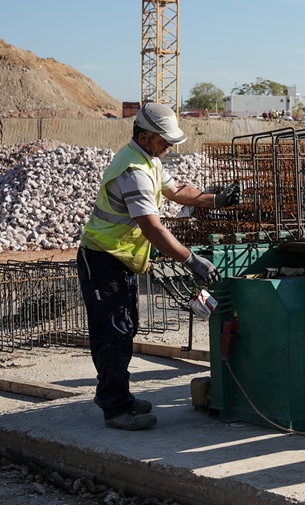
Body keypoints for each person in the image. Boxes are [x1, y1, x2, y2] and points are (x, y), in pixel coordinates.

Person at [77, 103, 241, 430]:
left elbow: (178, 191)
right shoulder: (133, 171)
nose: (169, 147)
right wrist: (191, 259)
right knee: (114, 332)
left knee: (125, 326)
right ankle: (115, 407)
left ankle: (113, 392)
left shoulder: (148, 159)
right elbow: (153, 228)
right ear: (144, 136)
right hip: (102, 258)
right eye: (164, 141)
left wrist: (216, 199)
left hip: (118, 259)